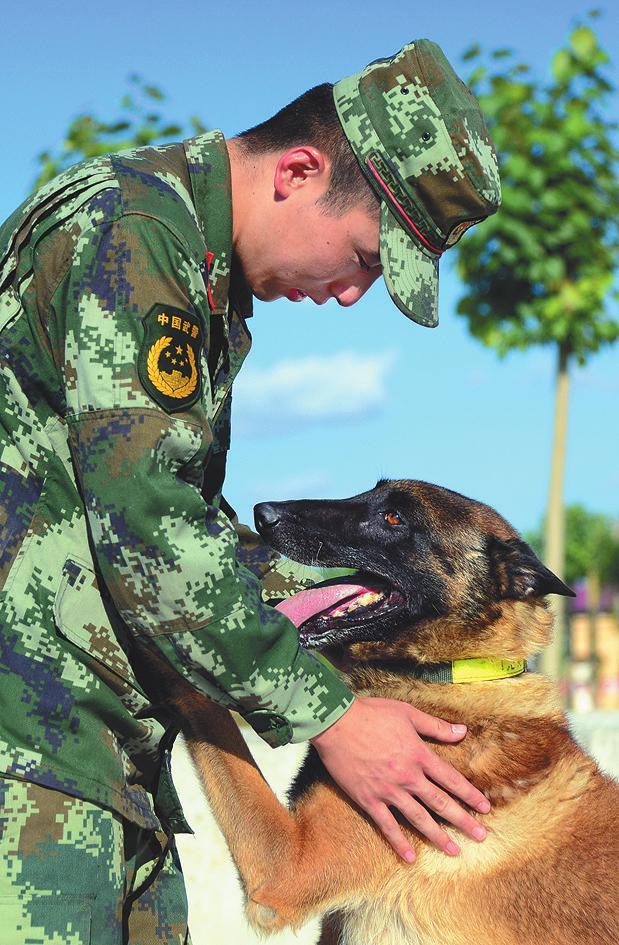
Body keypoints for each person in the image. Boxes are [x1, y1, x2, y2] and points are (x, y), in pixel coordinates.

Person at [0, 38, 501, 944]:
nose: (353, 295)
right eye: (363, 256)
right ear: (299, 171)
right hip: (30, 746)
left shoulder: (193, 270)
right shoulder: (131, 232)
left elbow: (182, 527)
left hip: (104, 753)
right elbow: (148, 529)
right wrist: (330, 712)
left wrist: (348, 597)